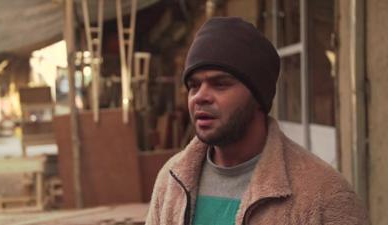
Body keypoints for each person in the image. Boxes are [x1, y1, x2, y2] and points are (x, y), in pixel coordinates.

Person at [145, 17, 368, 225]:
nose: (200, 96)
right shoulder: (171, 180)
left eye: (220, 84)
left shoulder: (325, 196)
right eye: (193, 85)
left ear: (258, 97)